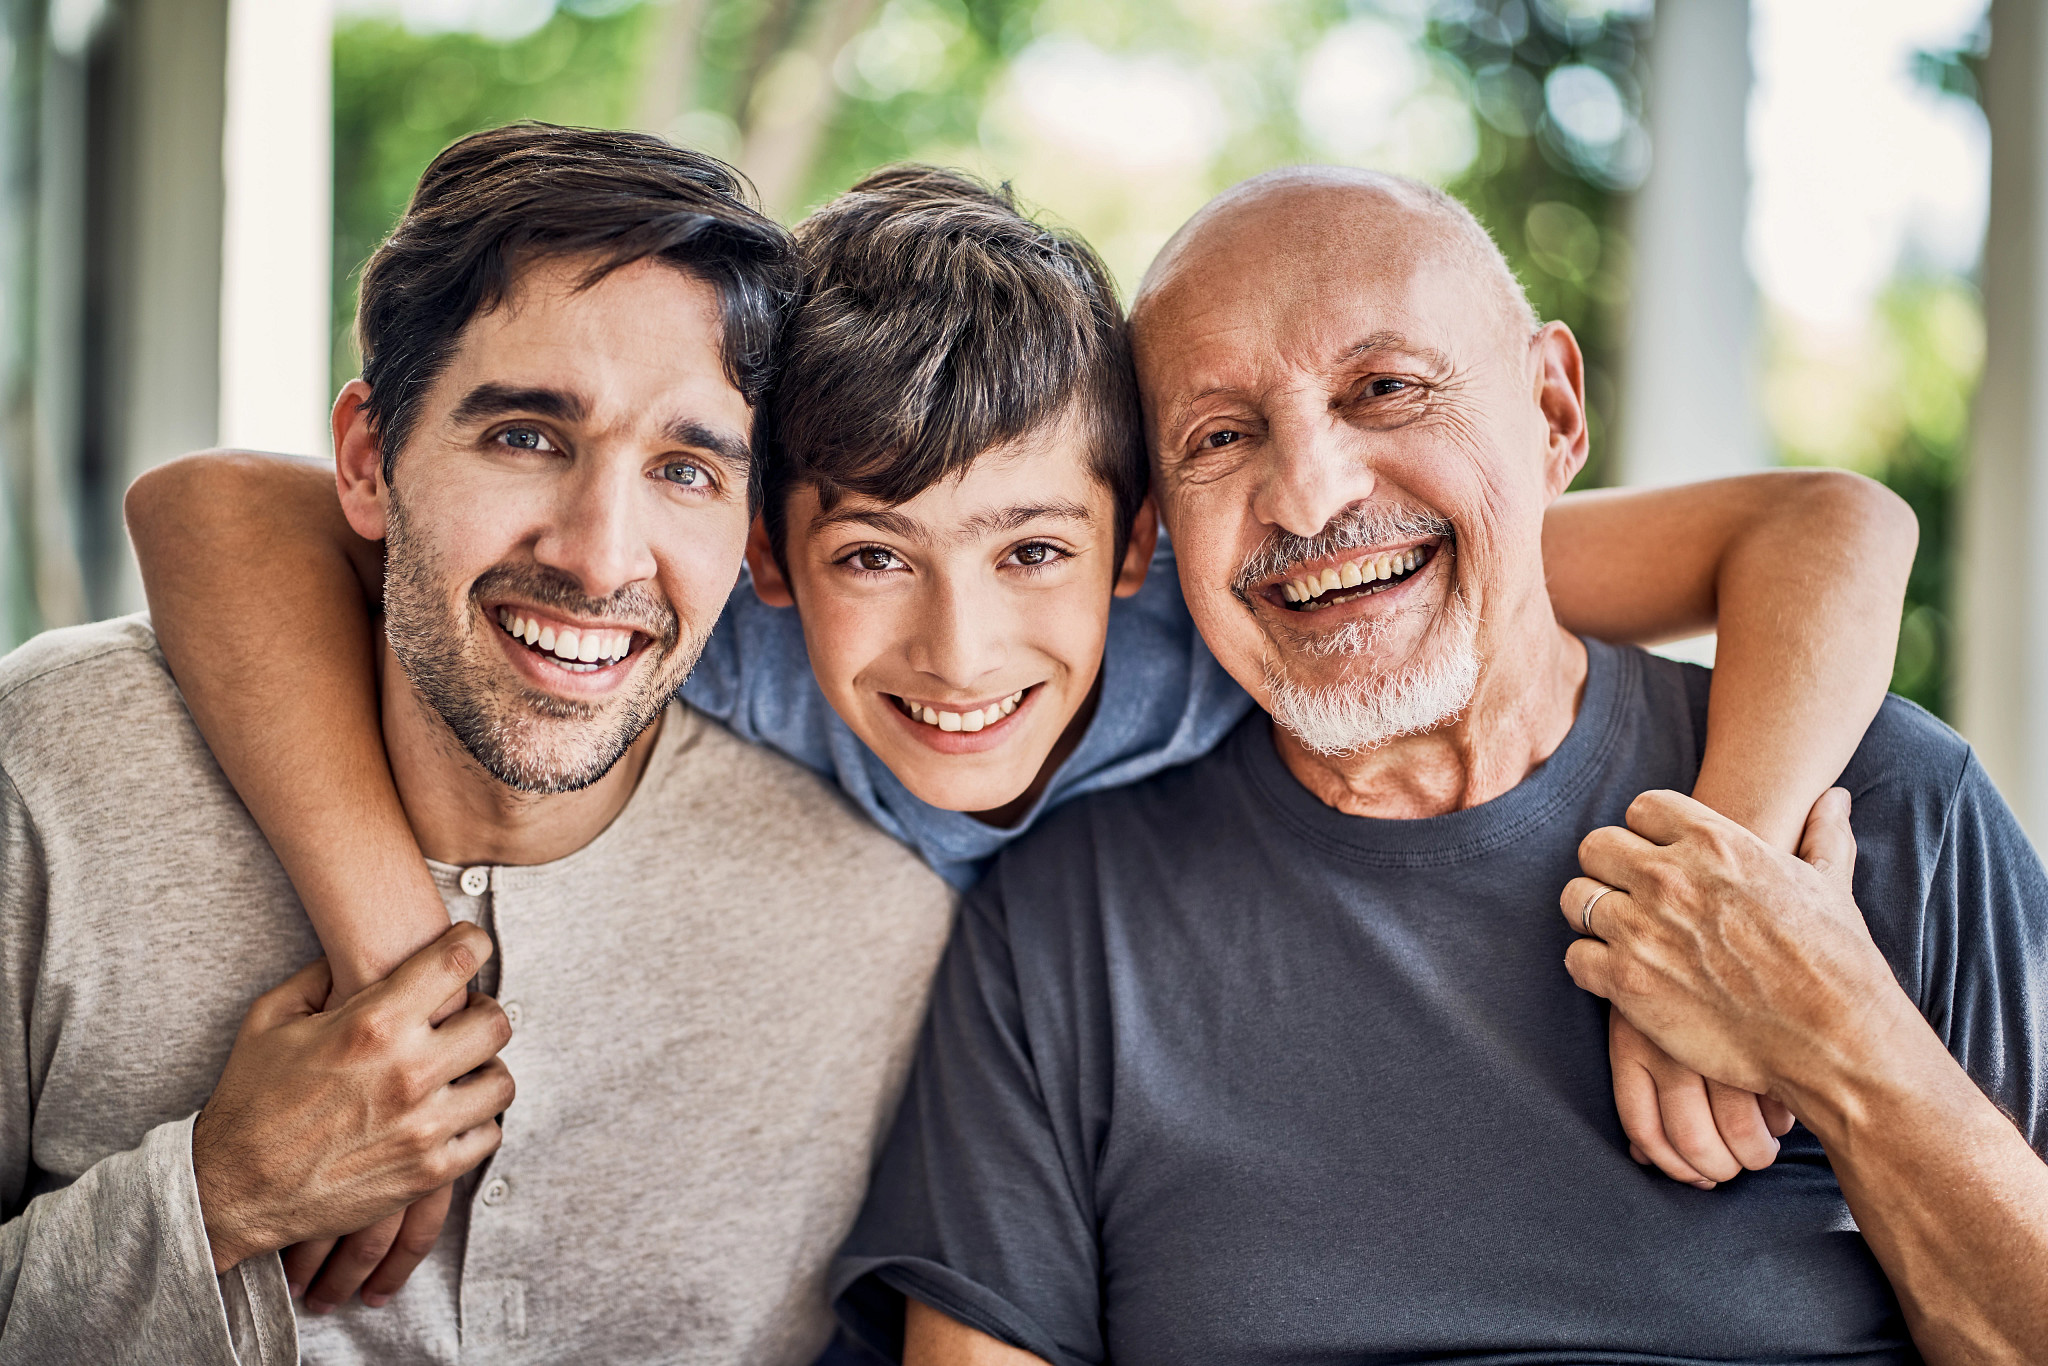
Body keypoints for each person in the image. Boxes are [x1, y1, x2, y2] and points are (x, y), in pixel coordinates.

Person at [126, 165, 1916, 1316]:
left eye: (1033, 553)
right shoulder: (721, 639)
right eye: (868, 558)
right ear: (771, 556)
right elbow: (212, 505)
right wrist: (405, 981)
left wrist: (1725, 894)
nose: (956, 648)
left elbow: (1827, 526)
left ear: (1132, 543)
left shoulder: (1237, 615)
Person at [829, 168, 2048, 1365]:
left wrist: (1839, 1039)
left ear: (1554, 414)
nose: (1307, 495)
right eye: (1219, 434)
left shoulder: (1877, 800)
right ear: (1153, 525)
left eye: (1386, 389)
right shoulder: (1061, 915)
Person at [0, 124, 955, 1365]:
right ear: (366, 461)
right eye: (525, 436)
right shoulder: (54, 777)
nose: (598, 555)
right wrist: (216, 1191)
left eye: (686, 468)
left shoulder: (878, 931)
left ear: (752, 535)